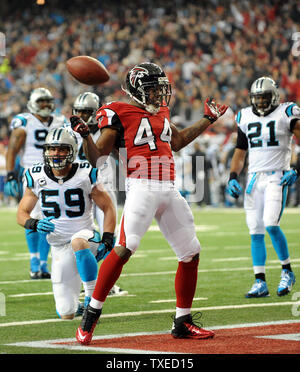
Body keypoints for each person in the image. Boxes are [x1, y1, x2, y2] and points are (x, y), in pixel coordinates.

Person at [70, 62, 228, 344]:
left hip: (169, 187)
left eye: (160, 89)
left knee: (191, 252)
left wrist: (208, 120)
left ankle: (182, 321)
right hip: (141, 186)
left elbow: (177, 141)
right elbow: (99, 156)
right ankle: (90, 317)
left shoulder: (162, 112)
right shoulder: (117, 110)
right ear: (135, 91)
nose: (158, 94)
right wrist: (85, 136)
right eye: (152, 89)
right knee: (125, 247)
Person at [16, 127, 116, 319]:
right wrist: (33, 224)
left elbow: (108, 207)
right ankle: (76, 304)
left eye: (61, 149)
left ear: (72, 150)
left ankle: (91, 297)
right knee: (66, 312)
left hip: (86, 237)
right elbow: (22, 213)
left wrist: (108, 238)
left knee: (78, 241)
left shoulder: (85, 172)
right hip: (59, 246)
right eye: (52, 149)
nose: (56, 154)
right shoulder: (36, 175)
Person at [227, 76, 300, 298]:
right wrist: (232, 176)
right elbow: (240, 152)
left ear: (274, 97)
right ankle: (260, 281)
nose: (259, 102)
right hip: (253, 179)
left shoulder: (287, 112)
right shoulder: (244, 116)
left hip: (277, 175)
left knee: (271, 224)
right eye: (256, 98)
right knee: (255, 230)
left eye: (264, 98)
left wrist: (295, 168)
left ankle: (287, 271)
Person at [5, 87, 67, 279]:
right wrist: (10, 174)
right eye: (41, 101)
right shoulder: (24, 121)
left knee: (50, 217)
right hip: (32, 173)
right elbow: (13, 149)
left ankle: (42, 262)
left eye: (48, 101)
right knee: (33, 216)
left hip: (56, 172)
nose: (45, 105)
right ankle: (34, 261)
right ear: (32, 103)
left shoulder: (60, 120)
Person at [72, 92, 127, 297]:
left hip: (104, 187)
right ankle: (81, 278)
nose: (82, 115)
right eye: (79, 111)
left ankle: (103, 282)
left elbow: (124, 155)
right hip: (81, 189)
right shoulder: (69, 132)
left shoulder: (108, 131)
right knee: (78, 237)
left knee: (109, 238)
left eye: (86, 111)